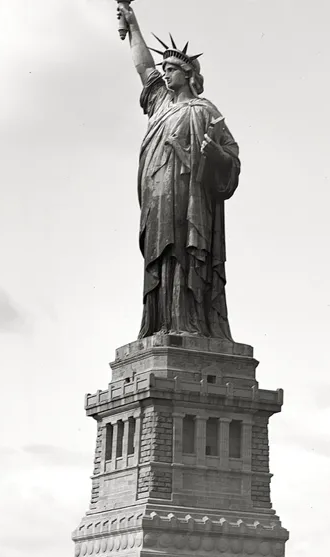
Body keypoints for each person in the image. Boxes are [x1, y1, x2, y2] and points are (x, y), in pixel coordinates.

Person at [116, 3, 240, 340]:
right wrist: (133, 25)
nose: (165, 73)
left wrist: (213, 153)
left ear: (188, 74)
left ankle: (190, 323)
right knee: (161, 258)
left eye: (171, 69)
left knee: (186, 255)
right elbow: (143, 68)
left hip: (190, 200)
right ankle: (160, 323)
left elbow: (232, 157)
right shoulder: (159, 103)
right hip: (157, 196)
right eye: (165, 68)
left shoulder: (205, 111)